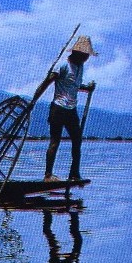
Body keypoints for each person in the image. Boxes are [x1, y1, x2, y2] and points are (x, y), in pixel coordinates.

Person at [38, 36, 97, 182]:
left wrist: (87, 88)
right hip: (58, 108)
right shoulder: (63, 65)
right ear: (78, 53)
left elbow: (74, 86)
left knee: (77, 140)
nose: (86, 58)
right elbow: (48, 81)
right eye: (85, 55)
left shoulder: (80, 67)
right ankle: (48, 175)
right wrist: (34, 99)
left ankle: (74, 173)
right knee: (55, 141)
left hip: (71, 109)